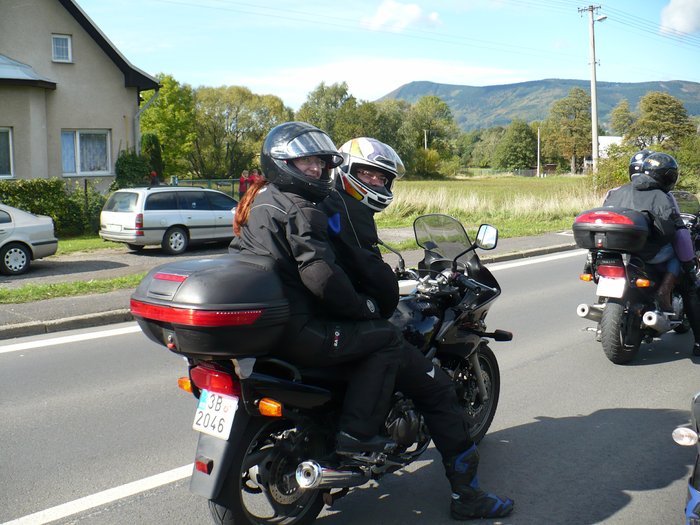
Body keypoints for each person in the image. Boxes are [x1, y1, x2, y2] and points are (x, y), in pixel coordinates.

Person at [320, 136, 514, 520]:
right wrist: (390, 289)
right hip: (352, 323)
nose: (376, 182)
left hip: (323, 323)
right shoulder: (349, 211)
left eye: (382, 177)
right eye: (368, 174)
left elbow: (350, 267)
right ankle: (467, 496)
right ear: (345, 170)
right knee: (438, 389)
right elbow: (367, 271)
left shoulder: (322, 206)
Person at [230, 122, 403, 454]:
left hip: (266, 324)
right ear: (282, 162)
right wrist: (363, 308)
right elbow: (321, 276)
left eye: (320, 162)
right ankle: (357, 434)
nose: (315, 168)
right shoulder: (300, 209)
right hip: (298, 329)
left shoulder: (259, 201)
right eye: (306, 161)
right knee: (387, 338)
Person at [604, 151, 700, 354]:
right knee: (686, 274)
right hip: (649, 253)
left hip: (618, 250)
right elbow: (674, 232)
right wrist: (689, 264)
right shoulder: (662, 196)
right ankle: (666, 291)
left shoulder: (618, 191)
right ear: (669, 177)